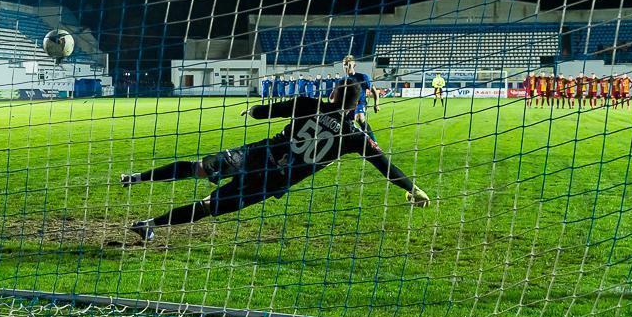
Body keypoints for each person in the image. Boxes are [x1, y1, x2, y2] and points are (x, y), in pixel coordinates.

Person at [119, 77, 430, 242]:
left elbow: (267, 111)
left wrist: (253, 110)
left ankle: (137, 178)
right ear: (354, 106)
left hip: (256, 156)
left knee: (199, 168)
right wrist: (412, 188)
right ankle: (149, 225)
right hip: (274, 180)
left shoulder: (308, 103)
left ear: (333, 94)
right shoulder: (355, 137)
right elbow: (386, 167)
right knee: (209, 206)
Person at [340, 55, 379, 140]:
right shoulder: (342, 80)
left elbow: (374, 91)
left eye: (348, 64)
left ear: (354, 65)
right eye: (344, 65)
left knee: (360, 118)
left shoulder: (363, 77)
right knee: (343, 125)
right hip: (348, 106)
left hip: (360, 104)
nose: (346, 66)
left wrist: (376, 104)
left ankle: (374, 141)